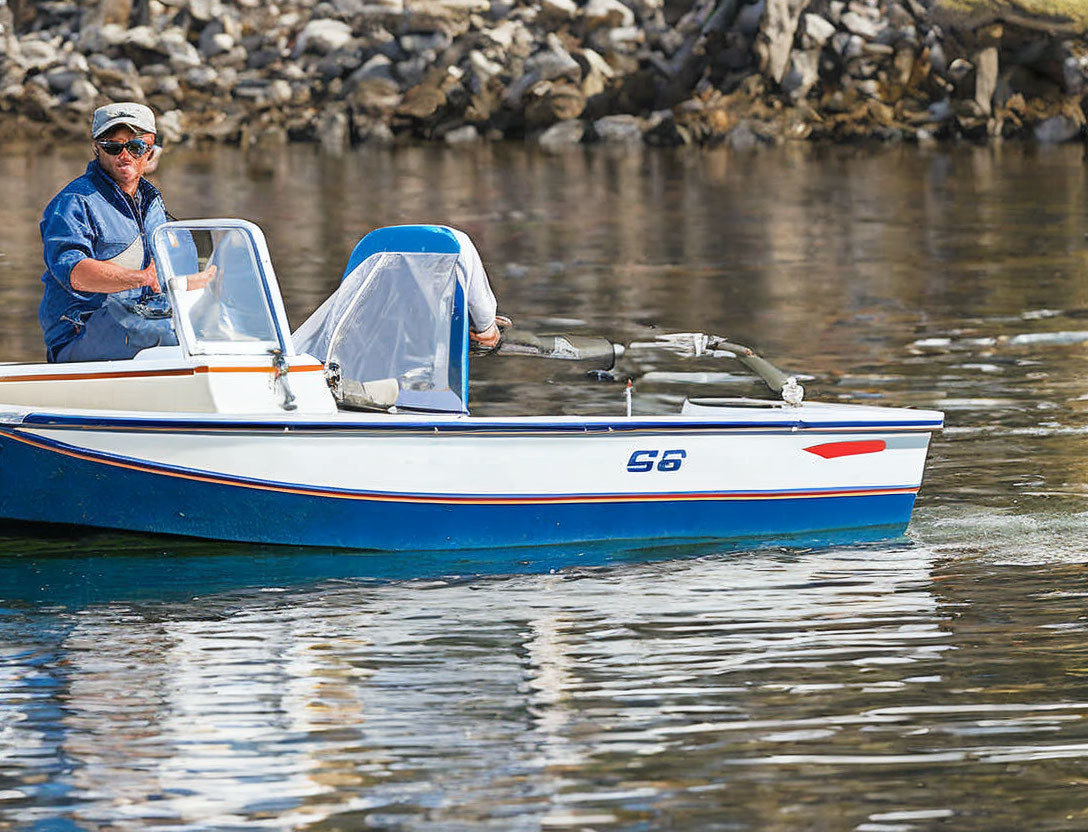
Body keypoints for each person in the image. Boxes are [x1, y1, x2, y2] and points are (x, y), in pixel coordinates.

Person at [37, 102, 208, 363]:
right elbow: (75, 272)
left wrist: (209, 282)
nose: (124, 155)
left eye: (136, 147)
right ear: (97, 148)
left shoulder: (154, 205)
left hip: (144, 321)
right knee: (172, 334)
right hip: (81, 333)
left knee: (216, 327)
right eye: (113, 146)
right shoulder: (73, 202)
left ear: (150, 149)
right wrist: (142, 278)